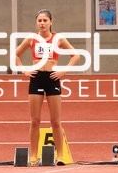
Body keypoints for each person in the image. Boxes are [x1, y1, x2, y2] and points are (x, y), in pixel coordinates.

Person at [14, 9, 80, 162]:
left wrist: (64, 71)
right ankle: (33, 156)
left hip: (52, 77)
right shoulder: (32, 39)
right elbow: (16, 54)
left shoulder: (58, 39)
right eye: (39, 21)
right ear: (36, 22)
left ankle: (61, 156)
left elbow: (75, 55)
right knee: (35, 120)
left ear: (51, 22)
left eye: (45, 20)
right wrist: (24, 70)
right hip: (37, 77)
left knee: (55, 121)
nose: (42, 23)